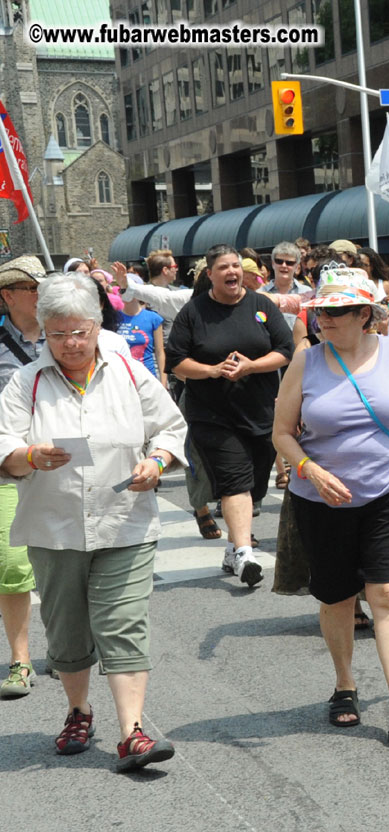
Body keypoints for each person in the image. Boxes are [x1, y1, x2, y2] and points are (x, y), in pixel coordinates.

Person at [0, 273, 188, 770]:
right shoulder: (27, 382)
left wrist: (159, 461)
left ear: (97, 325)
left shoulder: (129, 372)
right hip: (53, 528)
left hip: (124, 520)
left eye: (79, 331)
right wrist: (28, 455)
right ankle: (78, 710)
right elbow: (3, 445)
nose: (70, 343)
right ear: (43, 331)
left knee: (123, 623)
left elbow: (169, 427)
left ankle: (133, 732)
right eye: (58, 334)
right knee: (66, 629)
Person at [273, 269, 389, 743]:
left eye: (335, 311)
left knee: (388, 594)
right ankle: (345, 683)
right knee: (336, 597)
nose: (323, 319)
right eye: (320, 311)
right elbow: (281, 434)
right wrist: (310, 470)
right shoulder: (306, 362)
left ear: (364, 313)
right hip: (320, 499)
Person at [166, 245, 294, 587]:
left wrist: (252, 366)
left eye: (236, 265)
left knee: (254, 485)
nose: (232, 272)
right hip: (213, 416)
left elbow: (285, 350)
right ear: (211, 274)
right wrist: (211, 370)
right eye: (223, 267)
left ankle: (231, 547)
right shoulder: (193, 312)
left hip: (260, 412)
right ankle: (244, 554)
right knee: (234, 478)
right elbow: (176, 361)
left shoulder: (261, 306)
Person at [0, 256, 45, 699]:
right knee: (12, 566)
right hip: (9, 466)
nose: (40, 294)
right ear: (8, 295)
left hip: (66, 465)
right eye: (32, 288)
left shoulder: (69, 336)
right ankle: (21, 659)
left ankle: (84, 643)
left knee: (77, 561)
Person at [115, 289, 164, 380]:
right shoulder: (113, 318)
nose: (126, 294)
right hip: (120, 376)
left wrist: (163, 382)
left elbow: (160, 352)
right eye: (122, 291)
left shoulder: (153, 318)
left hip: (147, 376)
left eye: (129, 289)